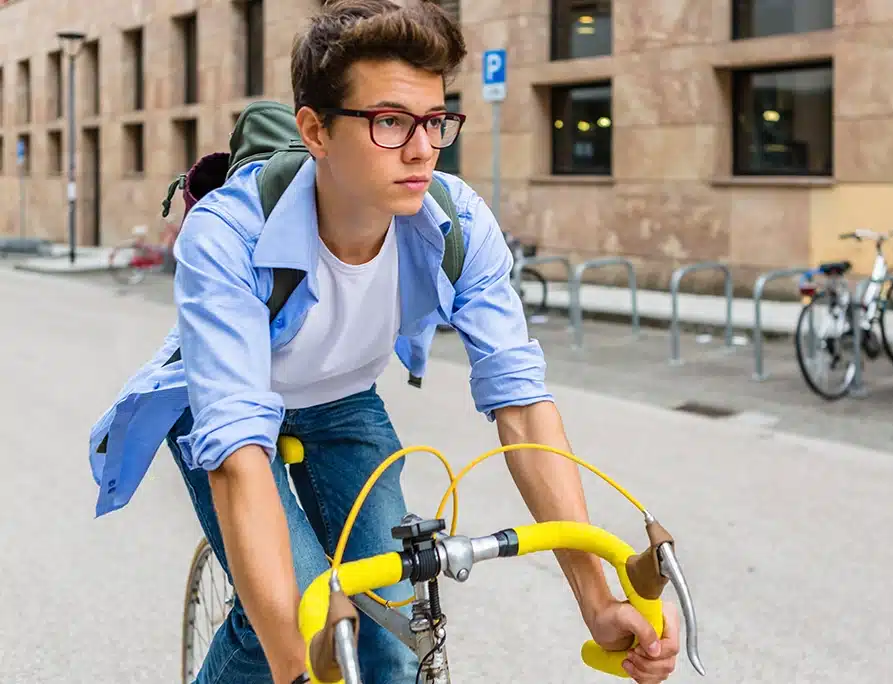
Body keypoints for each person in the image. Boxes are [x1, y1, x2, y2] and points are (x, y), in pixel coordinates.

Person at [88, 2, 681, 683]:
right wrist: (295, 668)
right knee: (287, 625)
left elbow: (520, 404)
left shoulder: (456, 222)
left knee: (393, 637)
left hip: (342, 403)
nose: (424, 147)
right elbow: (238, 455)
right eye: (390, 122)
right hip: (226, 415)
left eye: (435, 120)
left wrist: (598, 602)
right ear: (315, 130)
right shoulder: (228, 234)